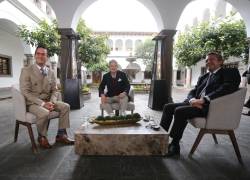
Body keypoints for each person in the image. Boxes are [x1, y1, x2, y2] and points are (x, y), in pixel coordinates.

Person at [160, 52, 241, 157]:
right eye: (207, 60)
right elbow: (193, 91)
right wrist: (192, 100)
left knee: (180, 111)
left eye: (212, 59)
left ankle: (175, 145)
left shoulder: (229, 72)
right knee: (168, 107)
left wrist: (204, 100)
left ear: (221, 61)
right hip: (195, 104)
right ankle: (160, 138)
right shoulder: (204, 76)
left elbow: (227, 88)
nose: (208, 62)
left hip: (211, 108)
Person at [19, 45, 74, 149]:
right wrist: (43, 104)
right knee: (44, 112)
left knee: (65, 106)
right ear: (35, 56)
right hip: (33, 103)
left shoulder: (51, 72)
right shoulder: (26, 71)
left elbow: (55, 90)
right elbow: (25, 92)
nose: (40, 56)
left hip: (49, 101)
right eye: (38, 54)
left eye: (43, 54)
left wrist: (52, 102)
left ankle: (61, 135)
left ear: (47, 57)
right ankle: (42, 137)